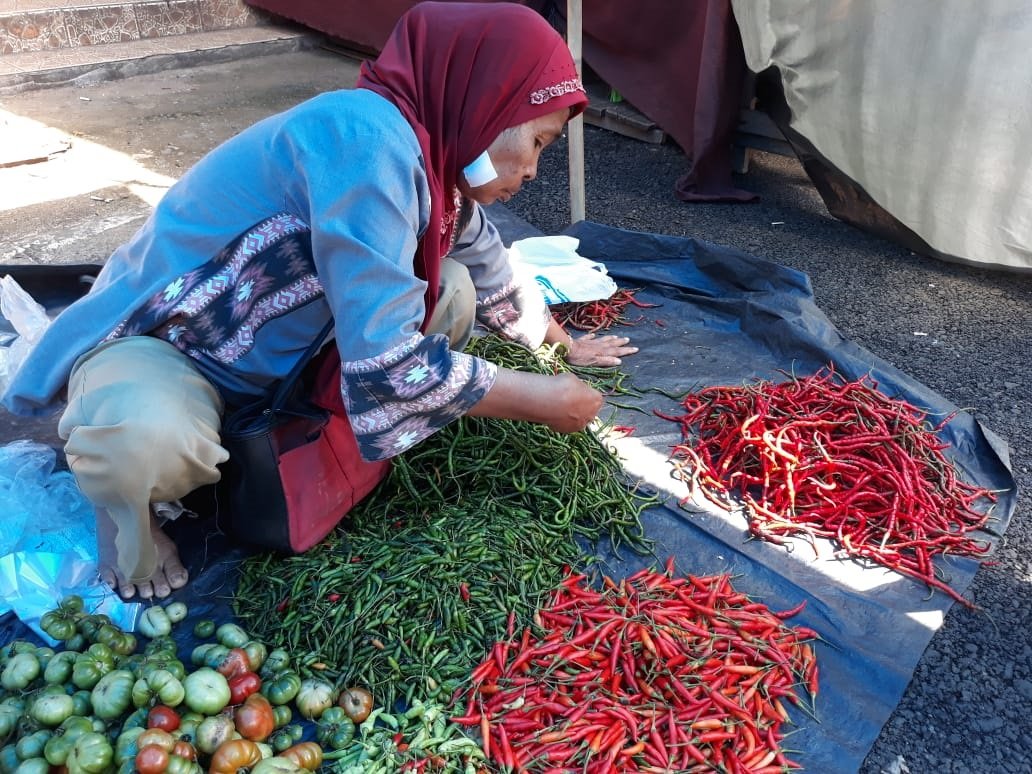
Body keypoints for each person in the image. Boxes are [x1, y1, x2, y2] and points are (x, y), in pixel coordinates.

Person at [1, 1, 637, 600]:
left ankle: (290, 432)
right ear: (486, 106)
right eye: (539, 143)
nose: (532, 172)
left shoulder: (438, 169)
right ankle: (126, 517)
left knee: (456, 289)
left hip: (283, 353)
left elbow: (496, 275)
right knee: (142, 441)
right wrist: (541, 399)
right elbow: (390, 363)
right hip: (179, 347)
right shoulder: (366, 143)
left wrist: (565, 347)